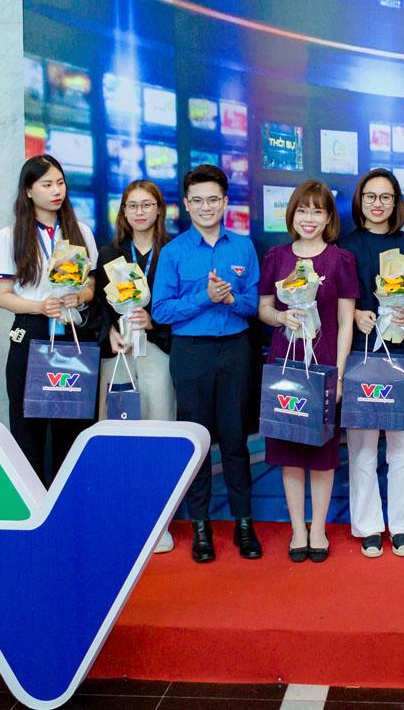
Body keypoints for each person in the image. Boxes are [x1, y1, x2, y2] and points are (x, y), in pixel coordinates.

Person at [152, 164, 261, 564]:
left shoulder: (243, 247)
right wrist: (205, 297)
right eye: (197, 200)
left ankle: (244, 524)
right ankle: (201, 527)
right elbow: (161, 311)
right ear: (186, 204)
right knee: (198, 443)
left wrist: (231, 299)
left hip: (235, 351)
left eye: (213, 199)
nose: (205, 207)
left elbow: (253, 304)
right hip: (191, 353)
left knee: (235, 442)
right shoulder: (174, 252)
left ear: (225, 202)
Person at [258, 180, 357, 563]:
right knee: (289, 449)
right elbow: (264, 308)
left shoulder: (340, 260)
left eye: (318, 211)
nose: (309, 218)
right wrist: (282, 317)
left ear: (329, 217)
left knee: (322, 451)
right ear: (292, 215)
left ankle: (318, 529)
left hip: (324, 365)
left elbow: (345, 322)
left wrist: (340, 374)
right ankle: (298, 528)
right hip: (284, 361)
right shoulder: (276, 257)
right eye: (303, 210)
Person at [0, 155, 98, 484]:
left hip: (72, 333)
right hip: (32, 333)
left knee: (73, 426)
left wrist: (80, 297)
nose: (56, 191)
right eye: (47, 184)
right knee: (29, 429)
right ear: (28, 190)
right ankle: (34, 504)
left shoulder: (81, 231)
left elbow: (92, 286)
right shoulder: (11, 235)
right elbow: (2, 296)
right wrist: (39, 307)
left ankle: (70, 503)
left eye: (60, 183)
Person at [339, 169, 404, 559]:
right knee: (362, 450)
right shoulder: (344, 246)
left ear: (396, 203)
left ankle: (403, 527)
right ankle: (369, 526)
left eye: (385, 197)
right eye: (370, 196)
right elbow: (333, 302)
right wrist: (355, 314)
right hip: (361, 356)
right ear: (360, 201)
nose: (378, 204)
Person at [95, 179, 176, 553]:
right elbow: (97, 305)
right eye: (133, 205)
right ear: (123, 211)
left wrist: (154, 322)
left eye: (147, 205)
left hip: (157, 351)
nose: (140, 212)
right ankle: (119, 517)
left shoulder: (172, 251)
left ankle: (159, 523)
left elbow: (179, 303)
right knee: (117, 432)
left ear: (159, 209)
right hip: (119, 353)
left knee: (159, 431)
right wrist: (109, 331)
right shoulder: (110, 253)